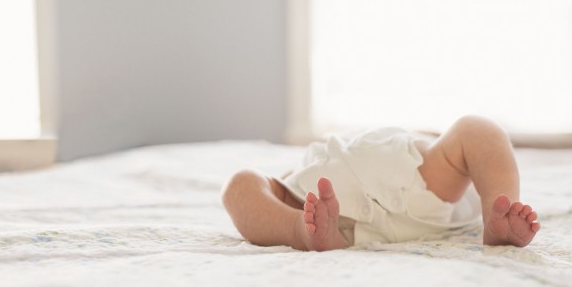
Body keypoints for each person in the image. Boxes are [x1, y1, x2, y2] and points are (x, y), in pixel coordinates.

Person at [221, 117, 540, 251]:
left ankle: (499, 214)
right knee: (241, 184)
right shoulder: (428, 157)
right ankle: (300, 230)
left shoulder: (424, 158)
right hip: (319, 203)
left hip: (408, 189)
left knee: (477, 129)